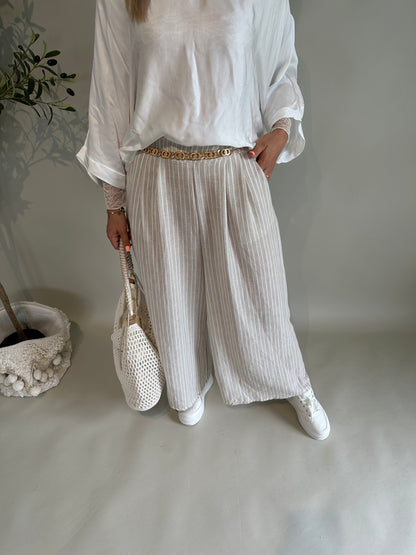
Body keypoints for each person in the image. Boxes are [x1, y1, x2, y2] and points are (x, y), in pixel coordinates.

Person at [76, 0, 331, 440]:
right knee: (171, 292)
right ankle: (186, 383)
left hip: (234, 162)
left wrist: (282, 128)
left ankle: (292, 381)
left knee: (262, 290)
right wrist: (114, 202)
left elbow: (279, 65)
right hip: (157, 168)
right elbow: (110, 89)